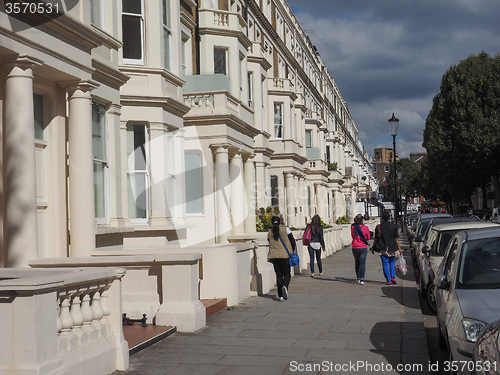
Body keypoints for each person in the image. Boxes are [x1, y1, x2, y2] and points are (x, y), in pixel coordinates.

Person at [267, 216, 296, 301]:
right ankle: (285, 286)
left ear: (272, 223)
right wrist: (292, 250)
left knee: (279, 275)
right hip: (284, 255)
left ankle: (280, 295)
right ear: (280, 222)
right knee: (287, 274)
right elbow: (292, 240)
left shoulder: (269, 232)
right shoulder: (286, 229)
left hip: (274, 256)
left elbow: (269, 241)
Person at [374, 210, 403, 285]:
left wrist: (373, 247)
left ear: (382, 218)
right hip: (392, 247)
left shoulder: (379, 227)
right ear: (389, 218)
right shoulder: (394, 227)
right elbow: (396, 238)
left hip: (382, 247)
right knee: (392, 262)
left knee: (385, 263)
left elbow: (376, 238)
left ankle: (388, 280)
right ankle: (392, 277)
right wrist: (399, 248)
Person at [351, 214, 370, 285]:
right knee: (362, 264)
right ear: (362, 220)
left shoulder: (353, 227)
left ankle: (358, 277)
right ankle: (362, 279)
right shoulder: (365, 227)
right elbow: (368, 237)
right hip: (363, 247)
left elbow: (353, 236)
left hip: (355, 246)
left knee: (357, 262)